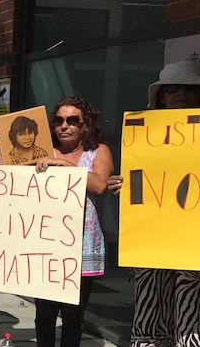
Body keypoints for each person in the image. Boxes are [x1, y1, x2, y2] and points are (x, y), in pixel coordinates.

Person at [108, 60, 200, 347]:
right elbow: (144, 181)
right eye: (173, 89)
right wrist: (123, 185)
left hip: (192, 238)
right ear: (161, 96)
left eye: (189, 88)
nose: (181, 95)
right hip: (152, 237)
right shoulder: (144, 132)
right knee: (150, 305)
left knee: (191, 308)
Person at [33, 96, 113, 347]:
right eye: (58, 121)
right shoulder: (42, 152)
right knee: (44, 315)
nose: (64, 126)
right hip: (46, 244)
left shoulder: (98, 151)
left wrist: (64, 165)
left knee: (72, 315)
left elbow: (99, 185)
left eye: (72, 121)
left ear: (85, 124)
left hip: (82, 247)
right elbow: (12, 179)